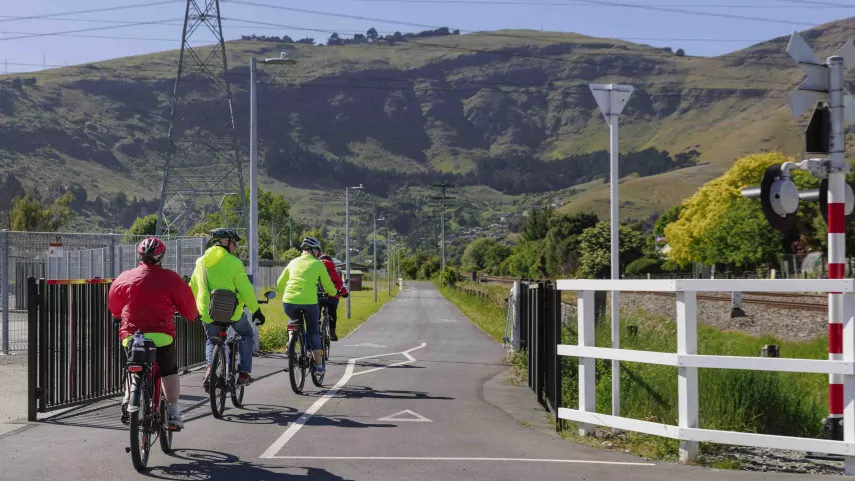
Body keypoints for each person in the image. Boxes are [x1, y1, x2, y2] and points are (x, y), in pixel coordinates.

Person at [109, 236, 199, 430]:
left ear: (140, 255)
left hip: (132, 335)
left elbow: (114, 306)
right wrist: (192, 316)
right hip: (161, 335)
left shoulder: (124, 278)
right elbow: (188, 306)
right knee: (168, 370)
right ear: (161, 256)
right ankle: (173, 411)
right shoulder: (171, 278)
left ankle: (127, 397)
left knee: (133, 365)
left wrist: (118, 315)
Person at [189, 228, 266, 388]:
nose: (235, 247)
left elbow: (193, 288)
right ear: (224, 242)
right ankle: (244, 374)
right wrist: (255, 310)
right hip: (232, 312)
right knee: (246, 334)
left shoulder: (200, 262)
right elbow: (245, 289)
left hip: (208, 312)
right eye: (234, 243)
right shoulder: (234, 263)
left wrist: (192, 309)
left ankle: (210, 368)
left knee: (212, 340)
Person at [277, 236, 338, 374]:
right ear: (314, 250)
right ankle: (318, 366)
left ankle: (291, 342)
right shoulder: (318, 264)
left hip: (289, 301)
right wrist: (334, 293)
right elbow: (328, 285)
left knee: (294, 321)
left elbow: (280, 283)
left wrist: (285, 292)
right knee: (312, 330)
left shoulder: (292, 262)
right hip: (310, 302)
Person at [317, 253, 348, 341]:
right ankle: (332, 332)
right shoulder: (334, 269)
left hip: (318, 296)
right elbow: (340, 283)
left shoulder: (315, 268)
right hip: (332, 296)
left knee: (315, 314)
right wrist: (344, 293)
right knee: (332, 313)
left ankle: (316, 330)